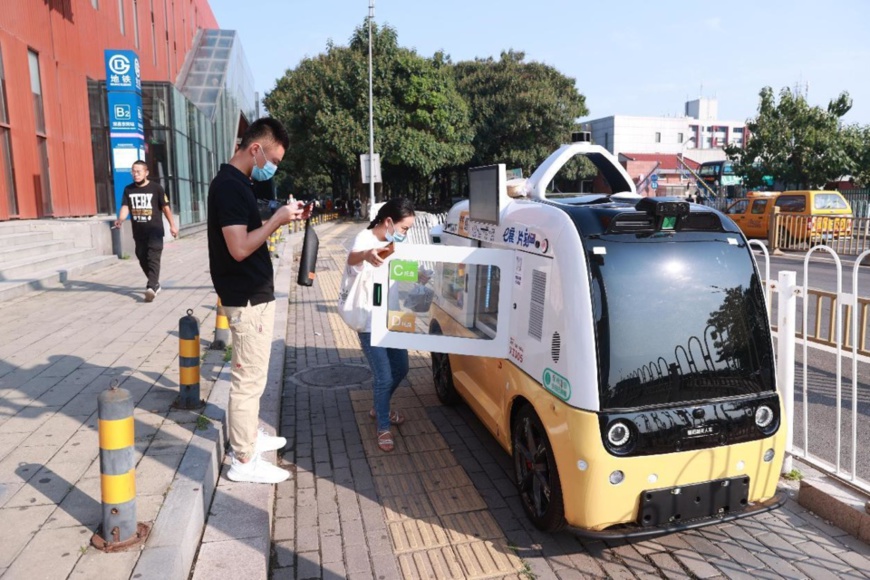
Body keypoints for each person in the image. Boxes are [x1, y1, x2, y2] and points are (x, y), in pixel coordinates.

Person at [207, 117, 311, 484]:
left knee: (254, 377)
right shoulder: (230, 187)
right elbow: (238, 248)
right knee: (248, 381)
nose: (274, 168)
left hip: (252, 295)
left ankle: (248, 436)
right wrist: (277, 221)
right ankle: (243, 459)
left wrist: (277, 216)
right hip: (246, 298)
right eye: (274, 160)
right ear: (255, 149)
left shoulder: (239, 184)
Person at [344, 198, 416, 452]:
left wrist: (420, 275)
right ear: (388, 222)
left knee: (402, 368)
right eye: (404, 228)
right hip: (369, 322)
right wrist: (366, 255)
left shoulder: (393, 243)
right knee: (383, 376)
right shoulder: (365, 239)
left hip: (391, 319)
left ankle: (379, 404)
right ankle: (383, 425)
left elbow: (398, 271)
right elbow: (352, 259)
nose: (406, 233)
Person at [114, 160, 178, 302]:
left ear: (146, 172)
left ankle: (151, 287)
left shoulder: (156, 188)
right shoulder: (128, 189)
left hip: (155, 231)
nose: (135, 174)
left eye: (138, 171)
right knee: (141, 257)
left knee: (153, 258)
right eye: (133, 171)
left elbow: (165, 208)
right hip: (139, 232)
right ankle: (155, 283)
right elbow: (125, 207)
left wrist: (172, 225)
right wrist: (121, 219)